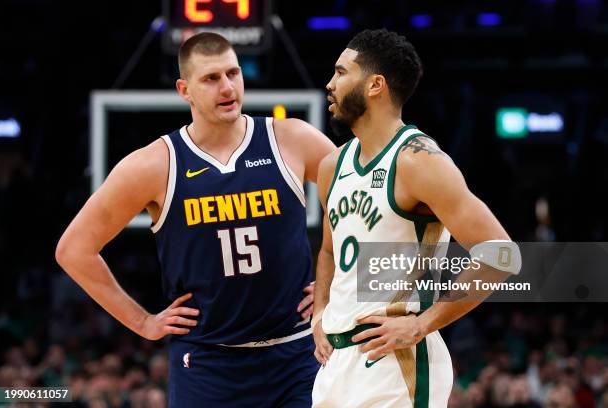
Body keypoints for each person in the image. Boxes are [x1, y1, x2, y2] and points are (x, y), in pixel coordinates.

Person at [56, 32, 335, 407]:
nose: (227, 87)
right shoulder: (154, 164)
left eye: (233, 73)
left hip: (297, 356)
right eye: (211, 78)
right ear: (184, 89)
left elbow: (362, 205)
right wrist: (143, 322)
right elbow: (73, 250)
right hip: (208, 363)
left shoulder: (291, 138)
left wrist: (333, 286)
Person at [311, 29, 521, 407]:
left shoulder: (418, 160)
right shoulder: (332, 165)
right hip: (336, 365)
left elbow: (502, 255)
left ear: (375, 85)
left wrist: (422, 323)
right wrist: (320, 310)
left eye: (341, 73)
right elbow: (329, 252)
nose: (330, 84)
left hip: (396, 363)